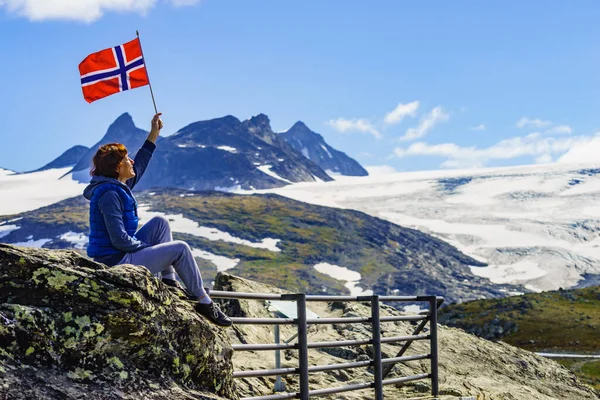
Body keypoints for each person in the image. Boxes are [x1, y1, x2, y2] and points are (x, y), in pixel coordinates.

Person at [83, 113, 232, 328]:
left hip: (120, 254)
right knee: (179, 249)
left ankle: (169, 280)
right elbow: (120, 240)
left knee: (160, 222)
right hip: (115, 261)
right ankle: (203, 301)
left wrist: (153, 135)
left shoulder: (116, 186)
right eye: (126, 160)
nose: (131, 161)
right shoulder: (109, 194)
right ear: (117, 168)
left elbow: (140, 165)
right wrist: (148, 249)